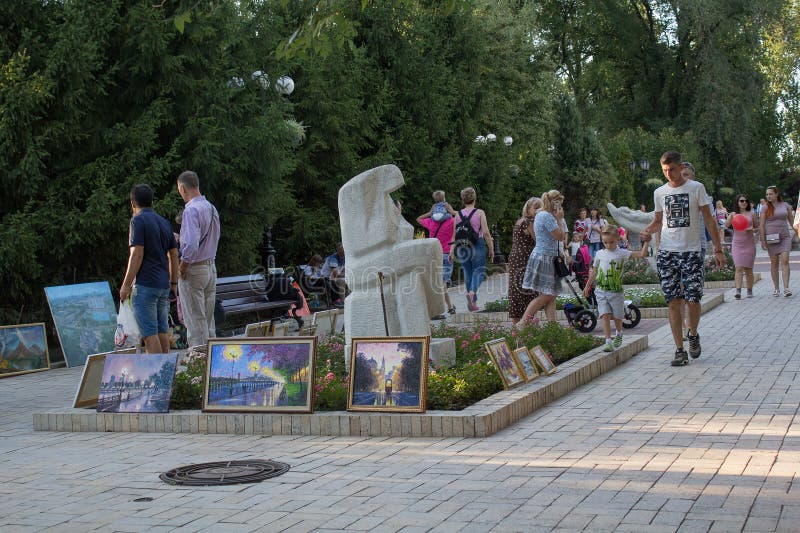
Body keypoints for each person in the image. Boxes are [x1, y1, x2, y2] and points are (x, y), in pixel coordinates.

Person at [641, 150, 725, 367]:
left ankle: (693, 333)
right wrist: (648, 230)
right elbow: (659, 220)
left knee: (693, 299)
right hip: (668, 253)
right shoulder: (660, 192)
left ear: (680, 168)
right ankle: (679, 349)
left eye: (672, 169)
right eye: (664, 170)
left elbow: (708, 219)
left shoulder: (696, 188)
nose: (669, 174)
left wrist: (718, 248)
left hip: (692, 251)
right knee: (673, 301)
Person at [120, 184, 179, 354]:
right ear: (152, 201)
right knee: (162, 332)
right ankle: (166, 374)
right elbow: (174, 256)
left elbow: (137, 254)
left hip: (146, 284)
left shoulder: (137, 221)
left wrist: (126, 284)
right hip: (163, 285)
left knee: (149, 334)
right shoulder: (164, 222)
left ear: (133, 203)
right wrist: (173, 284)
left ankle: (155, 375)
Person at [583, 225, 650, 352]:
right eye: (605, 242)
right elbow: (595, 271)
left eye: (611, 242)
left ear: (618, 239)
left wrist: (647, 242)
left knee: (618, 316)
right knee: (605, 315)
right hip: (601, 290)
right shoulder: (599, 254)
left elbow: (642, 254)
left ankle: (619, 334)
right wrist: (587, 285)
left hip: (616, 292)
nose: (608, 245)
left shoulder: (622, 253)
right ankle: (608, 341)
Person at [176, 170, 220, 348]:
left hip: (194, 269)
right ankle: (212, 366)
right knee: (208, 322)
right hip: (210, 267)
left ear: (182, 188)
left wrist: (182, 267)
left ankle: (198, 365)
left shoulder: (191, 211)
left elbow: (192, 246)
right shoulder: (211, 207)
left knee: (195, 322)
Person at [516, 190, 568, 326]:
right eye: (559, 204)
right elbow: (560, 236)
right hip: (545, 258)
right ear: (554, 203)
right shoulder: (547, 216)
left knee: (551, 294)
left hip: (545, 256)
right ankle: (522, 322)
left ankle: (552, 326)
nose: (560, 207)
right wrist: (560, 219)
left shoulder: (541, 214)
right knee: (547, 294)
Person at [449, 187, 494, 311]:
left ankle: (472, 303)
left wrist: (451, 250)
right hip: (476, 245)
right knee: (479, 271)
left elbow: (454, 234)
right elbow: (485, 232)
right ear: (475, 198)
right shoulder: (479, 213)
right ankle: (472, 293)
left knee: (468, 273)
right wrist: (491, 249)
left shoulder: (457, 214)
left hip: (462, 246)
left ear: (462, 199)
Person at [416, 200, 457, 316]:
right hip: (447, 254)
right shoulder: (451, 221)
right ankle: (448, 307)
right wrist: (452, 211)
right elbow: (462, 216)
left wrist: (430, 212)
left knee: (439, 283)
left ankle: (450, 306)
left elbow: (418, 219)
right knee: (442, 283)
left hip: (433, 255)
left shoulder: (430, 222)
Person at [507, 197, 542, 323]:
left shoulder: (520, 220)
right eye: (535, 207)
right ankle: (527, 324)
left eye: (540, 207)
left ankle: (518, 325)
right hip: (524, 259)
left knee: (517, 290)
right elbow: (539, 240)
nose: (538, 210)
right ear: (527, 209)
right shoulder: (529, 222)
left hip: (516, 258)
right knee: (527, 290)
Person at [759, 185, 795, 297]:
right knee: (774, 263)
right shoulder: (764, 208)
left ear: (776, 194)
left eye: (770, 194)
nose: (768, 196)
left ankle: (786, 288)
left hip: (785, 237)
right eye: (767, 194)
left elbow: (793, 222)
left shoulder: (785, 206)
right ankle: (776, 288)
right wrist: (762, 240)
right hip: (771, 238)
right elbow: (761, 225)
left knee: (785, 260)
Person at [725, 194, 757, 299]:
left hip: (749, 243)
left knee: (748, 268)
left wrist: (751, 229)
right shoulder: (734, 214)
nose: (744, 203)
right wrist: (730, 217)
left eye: (746, 201)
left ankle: (749, 290)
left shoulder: (752, 214)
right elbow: (725, 225)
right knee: (738, 267)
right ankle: (738, 291)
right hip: (737, 243)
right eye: (741, 201)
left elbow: (757, 228)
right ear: (737, 202)